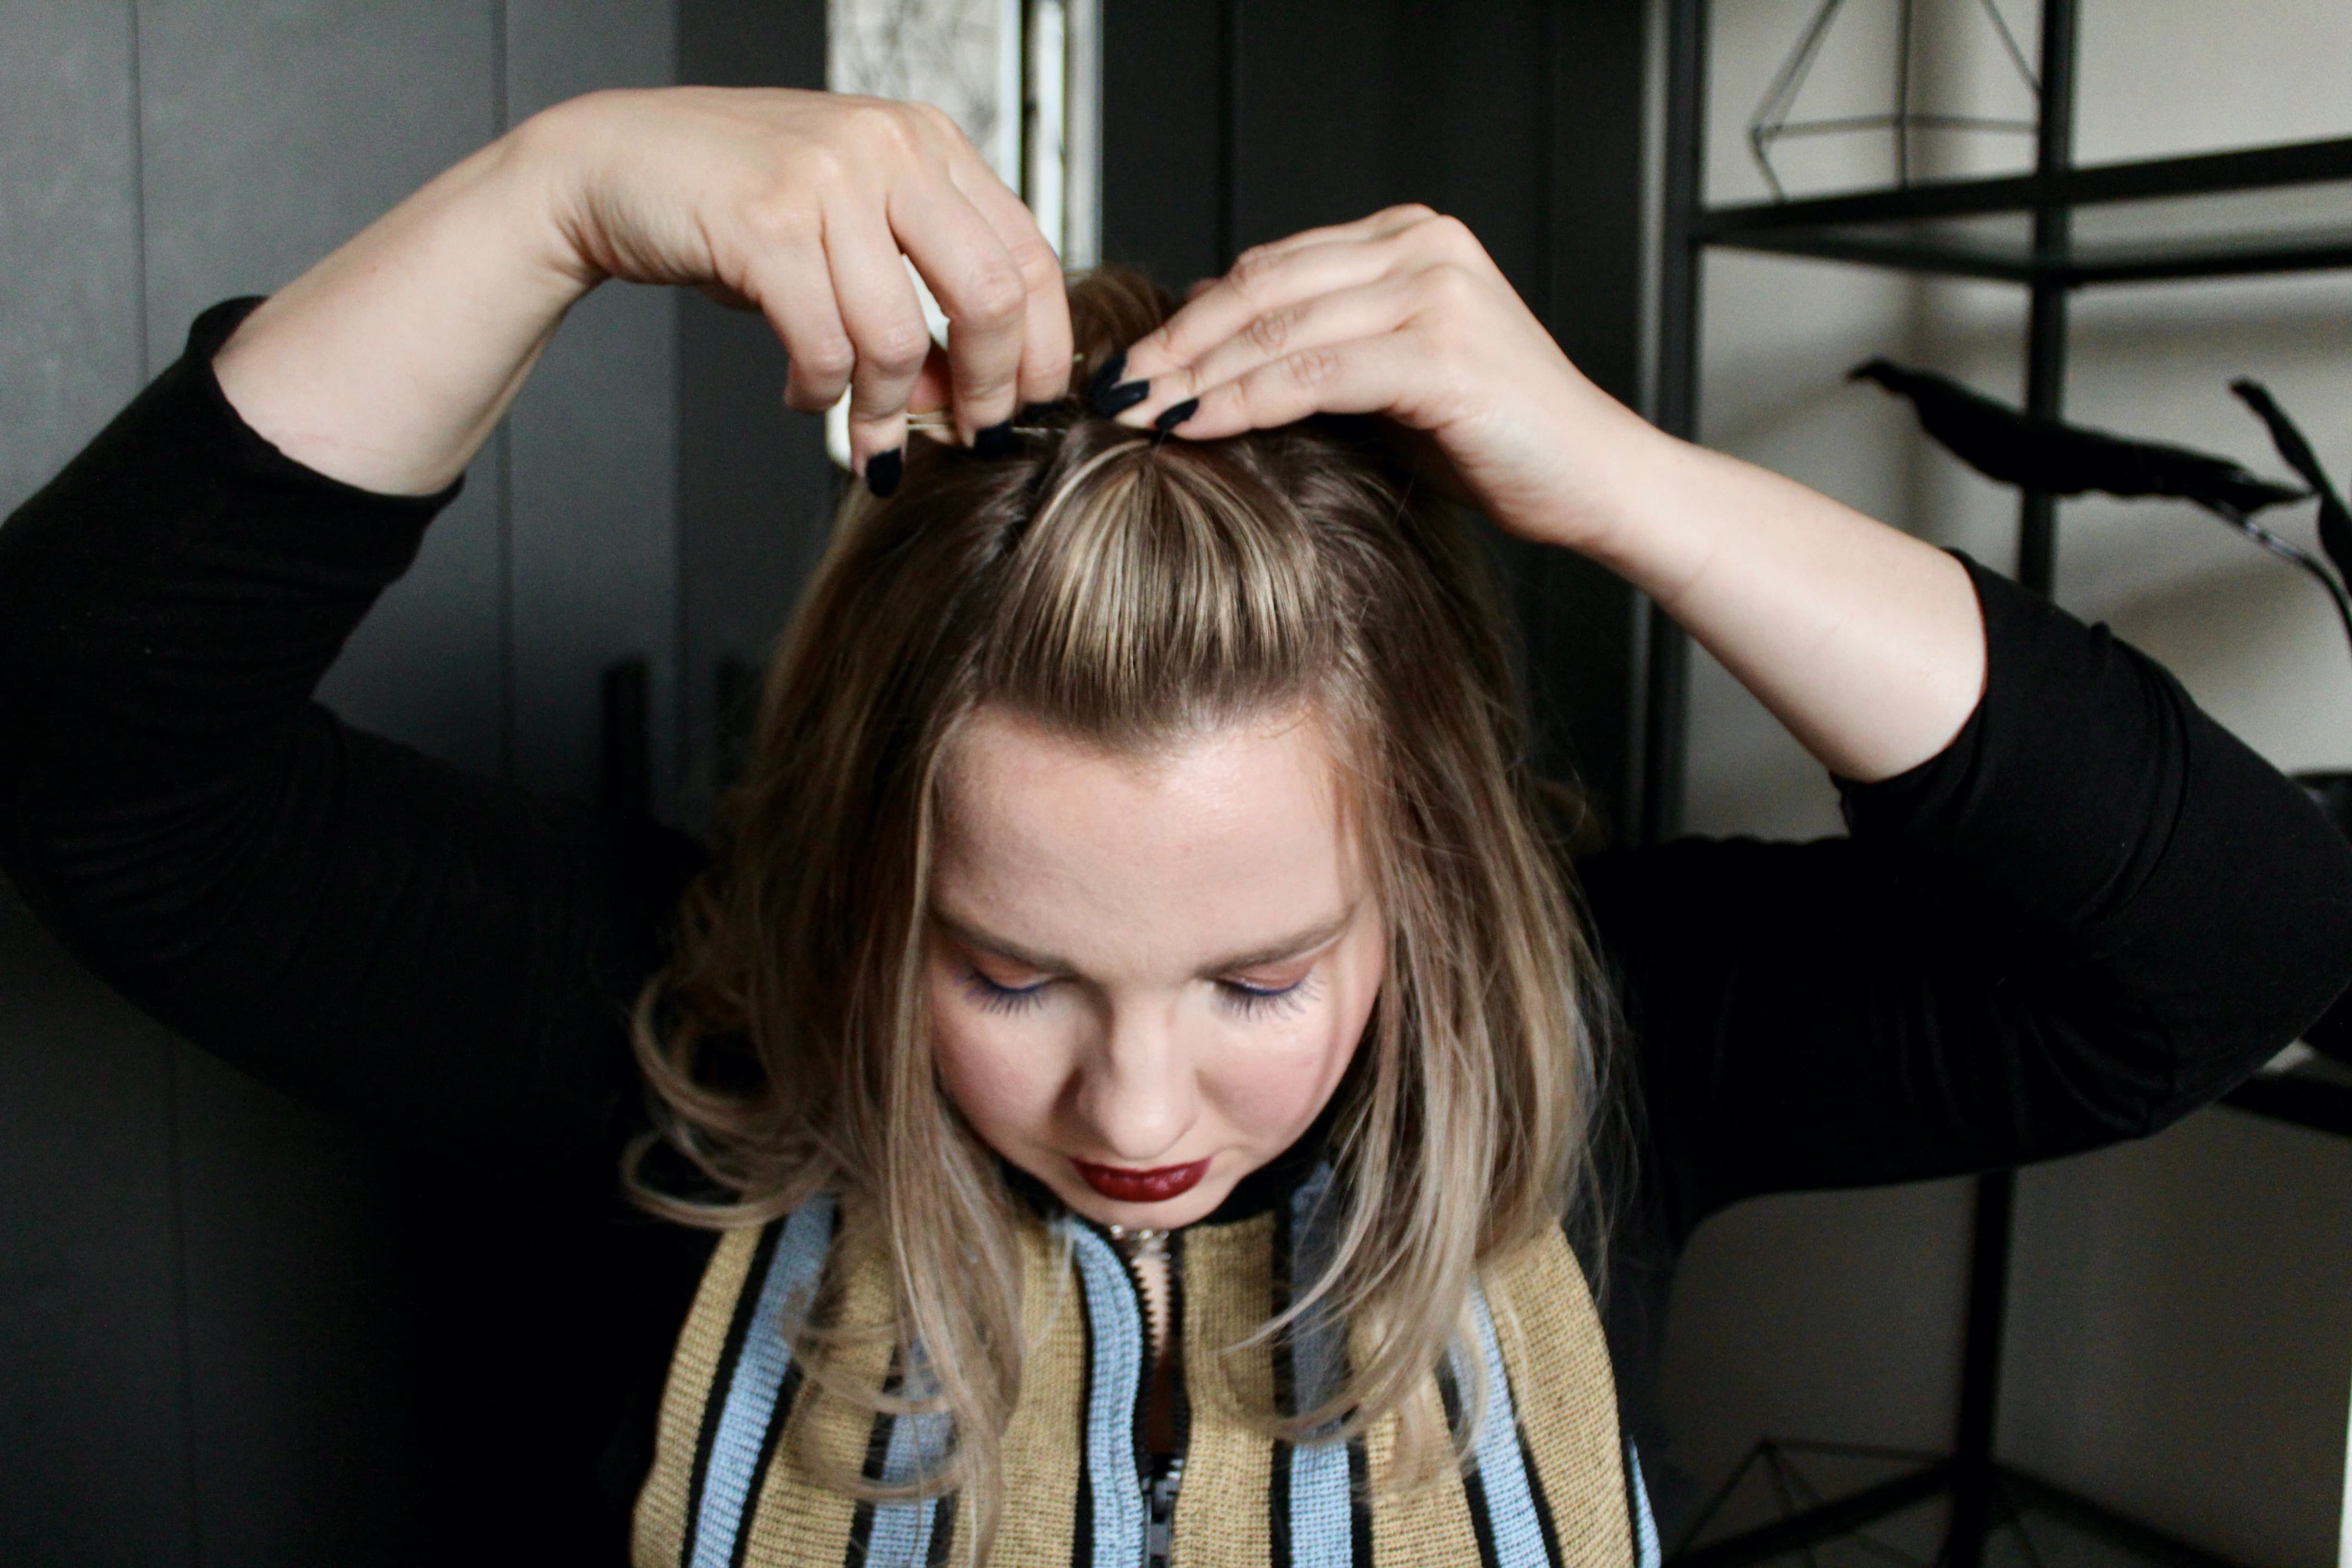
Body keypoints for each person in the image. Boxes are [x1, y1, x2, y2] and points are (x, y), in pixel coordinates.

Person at [2, 86, 2346, 1568]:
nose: (1138, 1107)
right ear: (861, 886)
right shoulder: (675, 1055)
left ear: (1425, 884)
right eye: (1007, 971)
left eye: (1262, 978)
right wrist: (551, 194)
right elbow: (86, 750)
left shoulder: (1606, 1052)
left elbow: (2233, 946)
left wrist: (1621, 480)